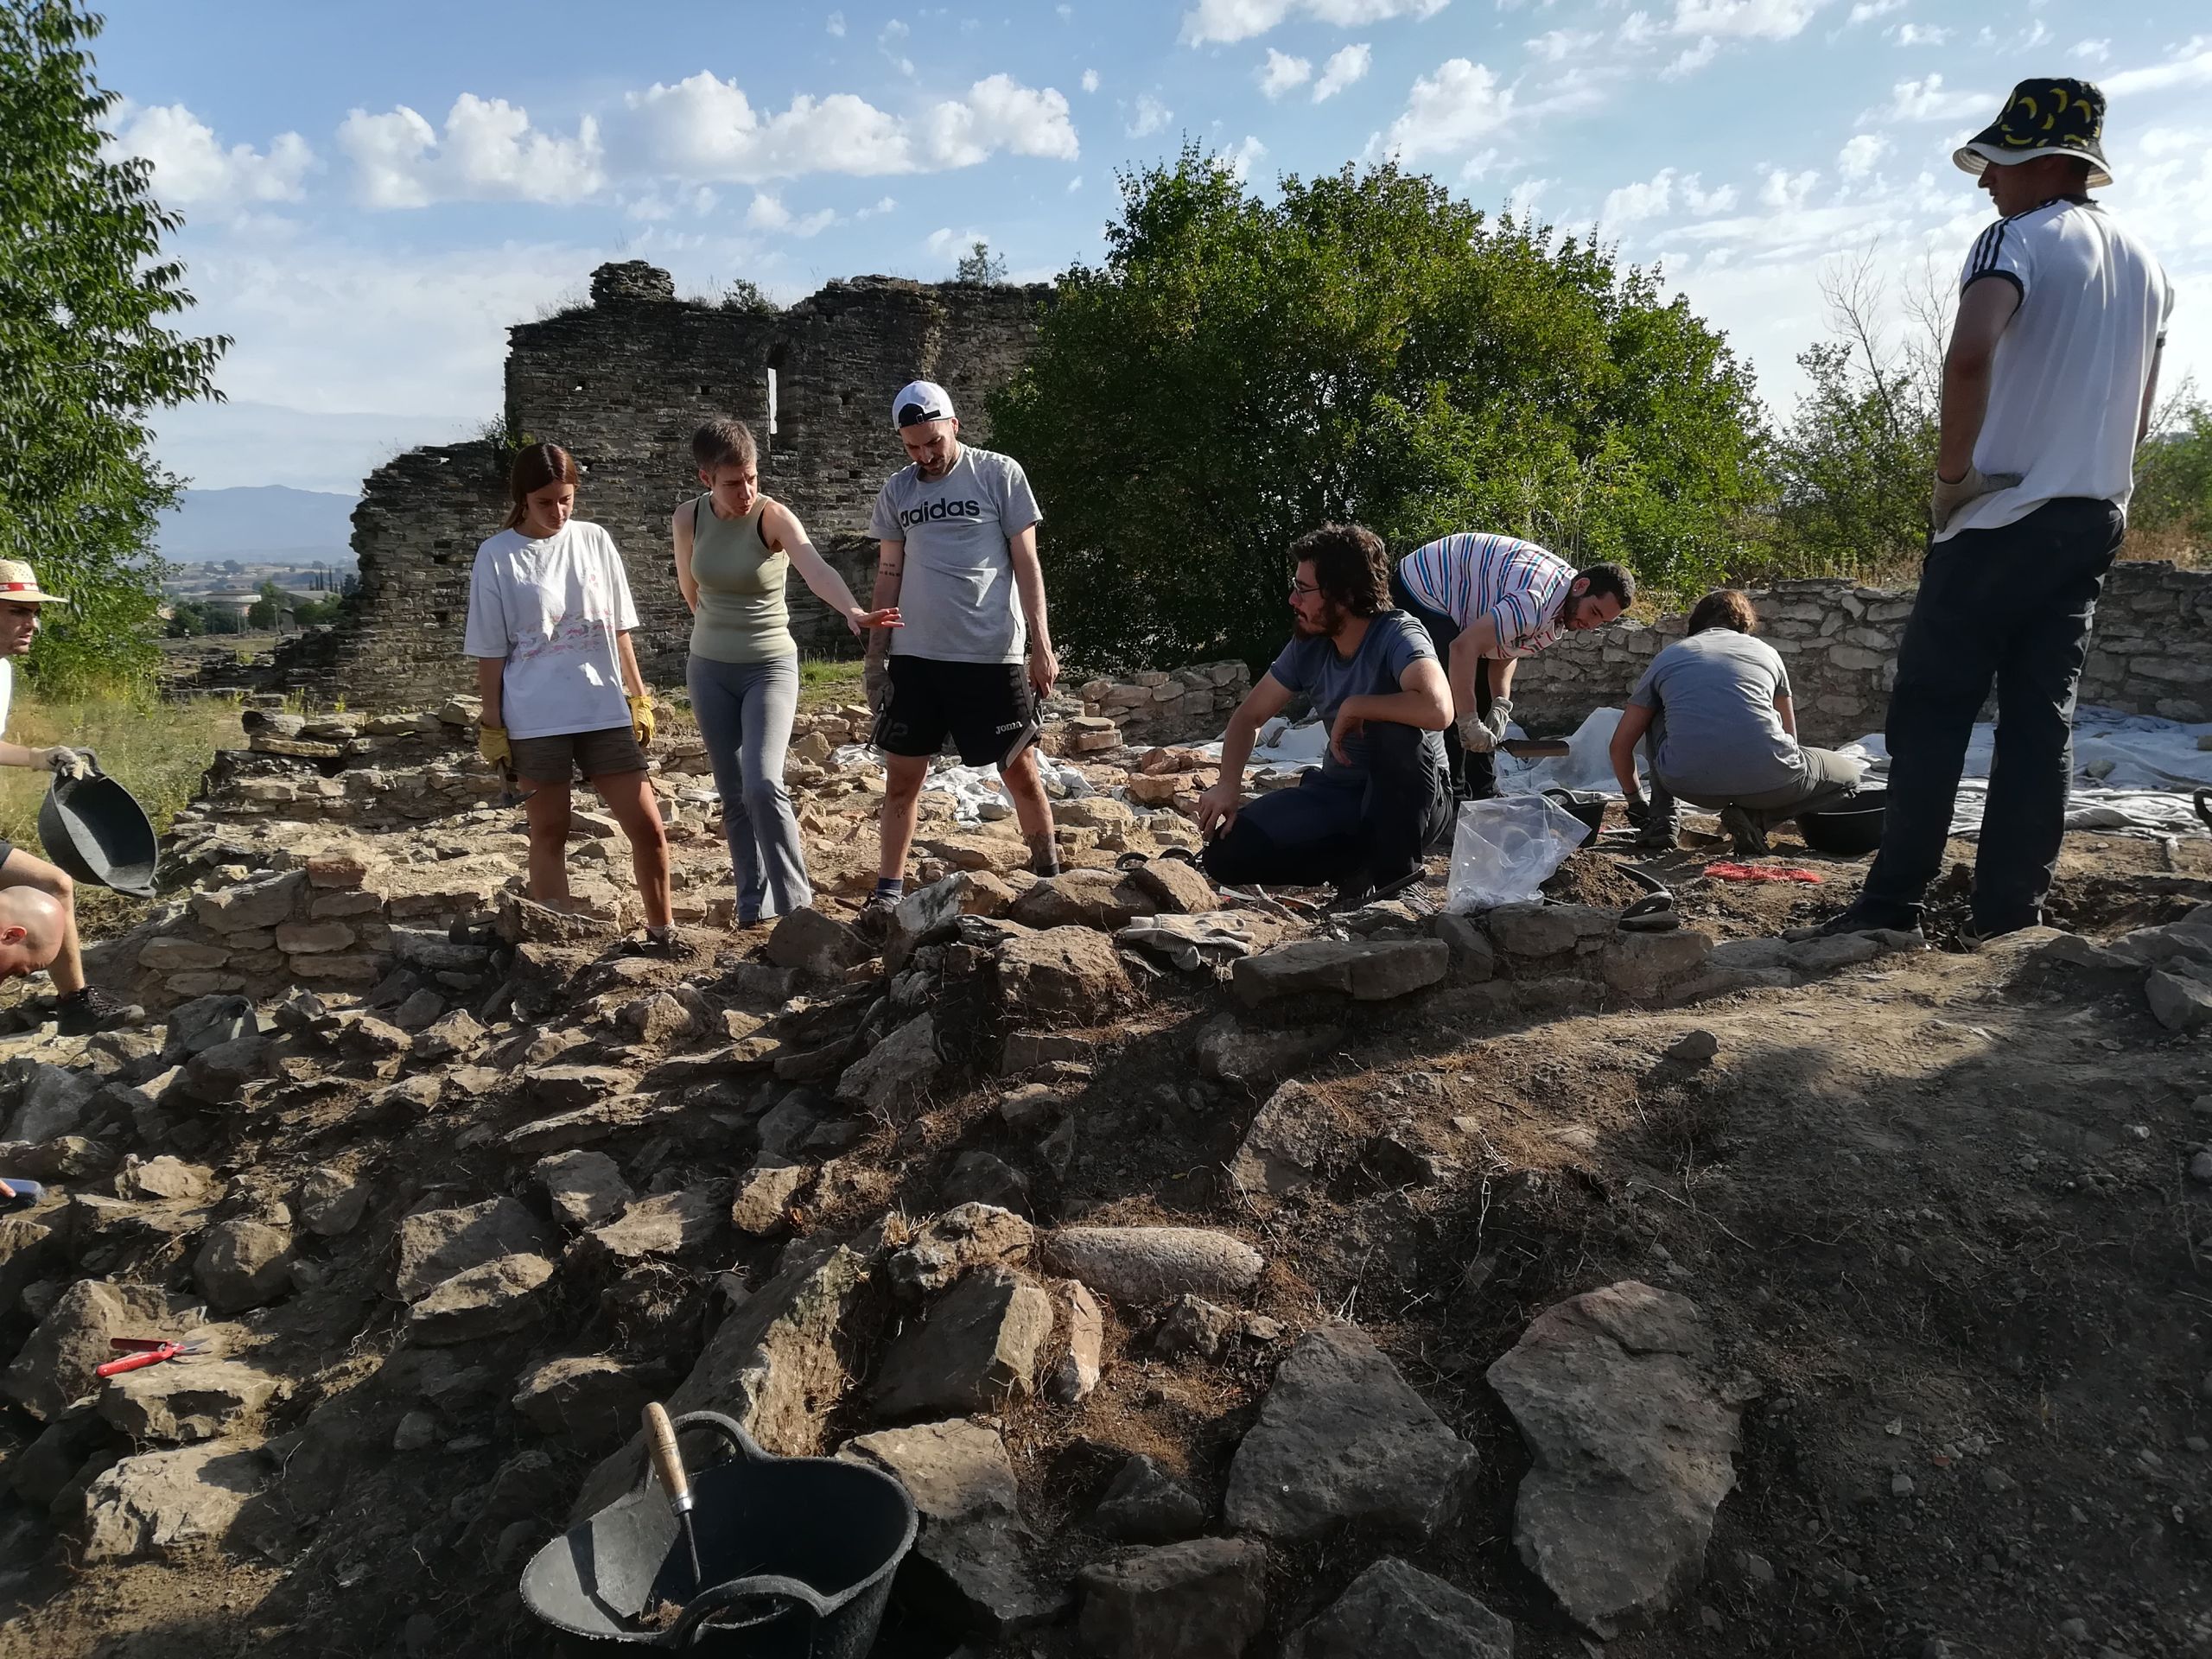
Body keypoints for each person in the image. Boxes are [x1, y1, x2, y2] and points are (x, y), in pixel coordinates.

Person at [1809, 77, 2171, 944]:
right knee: (2040, 721)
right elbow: (2144, 406)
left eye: (1998, 163)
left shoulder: (2014, 239)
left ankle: (1891, 908)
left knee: (1931, 713)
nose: (1985, 181)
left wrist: (1952, 478)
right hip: (2091, 516)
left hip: (1998, 516)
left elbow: (1967, 355)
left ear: (2045, 163)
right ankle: (2011, 915)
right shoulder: (2148, 266)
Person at [675, 419, 899, 928]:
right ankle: (752, 907)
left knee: (761, 782)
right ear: (705, 477)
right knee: (731, 794)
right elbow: (690, 588)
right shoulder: (688, 517)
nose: (745, 490)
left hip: (768, 667)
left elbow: (814, 566)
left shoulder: (771, 516)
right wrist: (713, 634)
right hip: (708, 668)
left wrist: (851, 611)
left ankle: (797, 907)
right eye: (733, 482)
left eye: (751, 477)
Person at [466, 442, 677, 950]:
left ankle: (663, 931)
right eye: (545, 502)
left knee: (647, 827)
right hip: (535, 718)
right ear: (522, 499)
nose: (558, 512)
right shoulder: (497, 556)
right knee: (551, 831)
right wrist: (492, 727)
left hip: (601, 706)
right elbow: (491, 653)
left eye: (566, 499)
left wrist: (639, 696)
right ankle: (556, 945)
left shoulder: (595, 540)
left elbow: (619, 628)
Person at [861, 380, 1058, 908]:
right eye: (912, 446)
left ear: (954, 426)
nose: (924, 455)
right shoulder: (898, 490)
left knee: (1018, 768)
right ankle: (888, 889)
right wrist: (875, 656)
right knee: (902, 779)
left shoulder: (998, 473)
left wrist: (1041, 645)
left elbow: (1027, 564)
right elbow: (888, 573)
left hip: (988, 654)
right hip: (916, 658)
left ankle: (1050, 875)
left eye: (933, 442)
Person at [1198, 524, 1453, 907]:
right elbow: (1248, 717)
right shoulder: (1309, 644)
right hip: (1339, 794)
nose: (1292, 599)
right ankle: (1356, 872)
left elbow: (1438, 709)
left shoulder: (1399, 633)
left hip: (1417, 800)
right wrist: (1228, 786)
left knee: (1396, 735)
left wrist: (1358, 706)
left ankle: (1398, 882)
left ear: (1345, 593)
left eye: (1304, 589)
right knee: (1227, 853)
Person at [1608, 590, 1866, 855]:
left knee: (1656, 710)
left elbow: (1620, 745)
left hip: (1687, 783)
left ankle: (1662, 820)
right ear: (1745, 626)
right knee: (1850, 779)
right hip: (1772, 783)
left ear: (1695, 625)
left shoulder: (1669, 657)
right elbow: (1790, 738)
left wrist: (1637, 802)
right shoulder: (1767, 653)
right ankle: (1759, 819)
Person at [1389, 532, 1636, 799]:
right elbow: (1461, 648)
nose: (1591, 625)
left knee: (1478, 697)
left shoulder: (1562, 610)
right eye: (1595, 613)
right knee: (1453, 701)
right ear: (1581, 586)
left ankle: (1484, 791)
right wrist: (1469, 719)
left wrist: (1500, 703)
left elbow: (1507, 648)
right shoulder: (1535, 603)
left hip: (1461, 596)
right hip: (1424, 585)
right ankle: (1454, 798)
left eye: (1602, 622)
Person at [0, 562, 132, 1033]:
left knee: (54, 886)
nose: (31, 624)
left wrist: (42, 756)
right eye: (18, 611)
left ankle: (76, 1004)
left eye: (34, 613)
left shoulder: (1, 671)